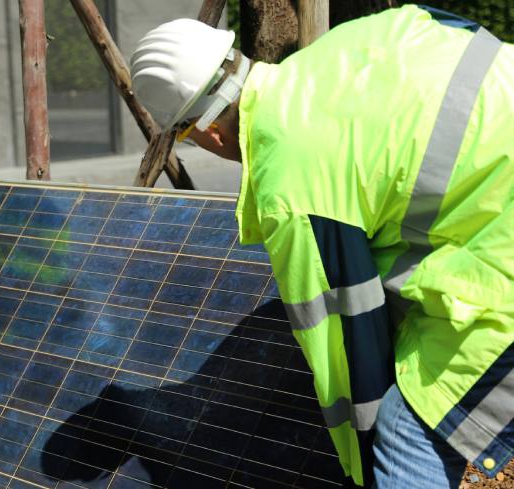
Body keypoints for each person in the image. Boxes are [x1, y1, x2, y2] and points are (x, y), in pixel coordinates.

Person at [130, 6, 513, 488]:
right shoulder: (339, 49)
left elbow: (345, 351)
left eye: (184, 134)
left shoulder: (289, 180)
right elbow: (443, 23)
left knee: (404, 432)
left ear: (205, 130)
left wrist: (358, 468)